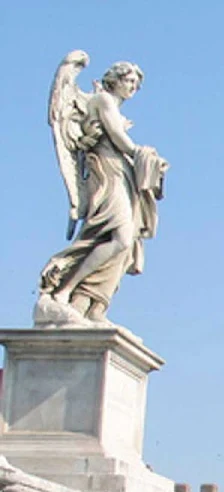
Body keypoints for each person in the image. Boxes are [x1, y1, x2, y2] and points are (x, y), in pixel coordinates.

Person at [39, 54, 169, 324]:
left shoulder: (110, 104)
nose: (133, 87)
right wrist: (145, 155)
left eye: (136, 83)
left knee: (125, 242)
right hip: (107, 173)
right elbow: (119, 139)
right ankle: (64, 291)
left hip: (123, 173)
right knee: (118, 236)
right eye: (129, 80)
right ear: (115, 79)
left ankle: (92, 305)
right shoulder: (103, 101)